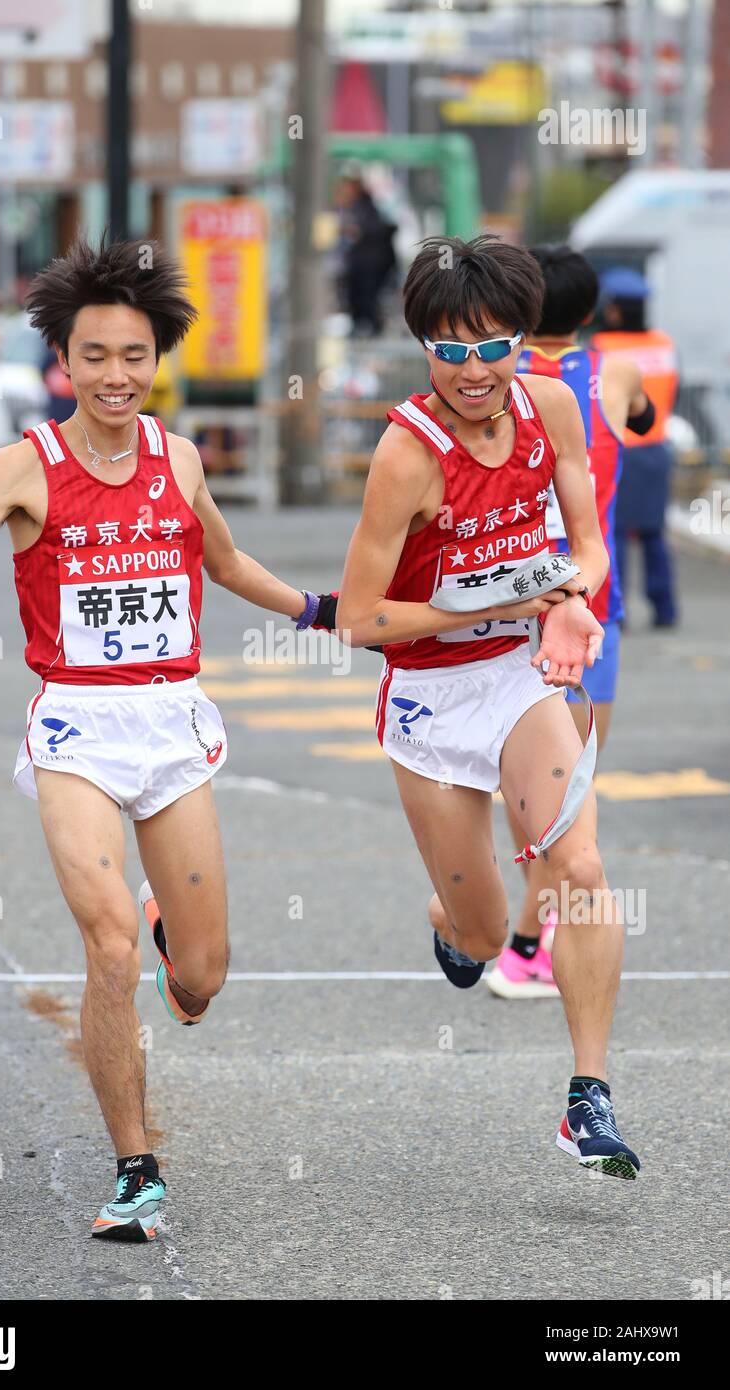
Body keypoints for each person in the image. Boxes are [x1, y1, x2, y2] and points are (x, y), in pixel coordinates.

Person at [0, 235, 338, 1240]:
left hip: (170, 720)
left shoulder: (176, 458)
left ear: (156, 359)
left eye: (132, 356)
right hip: (77, 726)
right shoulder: (21, 466)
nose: (114, 376)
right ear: (62, 360)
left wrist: (315, 609)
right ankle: (135, 1168)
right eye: (93, 356)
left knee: (201, 977)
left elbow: (223, 562)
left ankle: (174, 932)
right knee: (109, 947)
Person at [335, 234, 640, 1180]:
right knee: (479, 930)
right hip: (429, 690)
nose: (475, 369)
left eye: (493, 344)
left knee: (581, 864)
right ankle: (449, 915)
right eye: (451, 350)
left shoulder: (552, 403)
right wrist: (499, 599)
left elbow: (587, 543)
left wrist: (572, 603)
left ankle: (586, 1098)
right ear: (424, 346)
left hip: (518, 674)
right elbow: (358, 617)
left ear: (523, 337)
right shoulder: (406, 453)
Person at [488, 245, 652, 1000]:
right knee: (571, 788)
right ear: (589, 315)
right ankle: (525, 943)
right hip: (592, 609)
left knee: (527, 787)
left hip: (508, 602)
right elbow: (645, 418)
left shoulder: (494, 383)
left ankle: (523, 937)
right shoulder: (610, 373)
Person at [592, 268, 679, 628]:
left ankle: (618, 610)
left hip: (620, 449)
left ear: (614, 310)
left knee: (616, 531)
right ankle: (665, 609)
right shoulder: (664, 344)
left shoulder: (602, 348)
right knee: (654, 531)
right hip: (657, 447)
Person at [334, 169, 397, 337]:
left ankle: (372, 328)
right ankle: (364, 326)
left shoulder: (367, 206)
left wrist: (354, 231)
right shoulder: (353, 207)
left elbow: (371, 229)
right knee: (357, 298)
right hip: (362, 264)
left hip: (370, 264)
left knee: (366, 299)